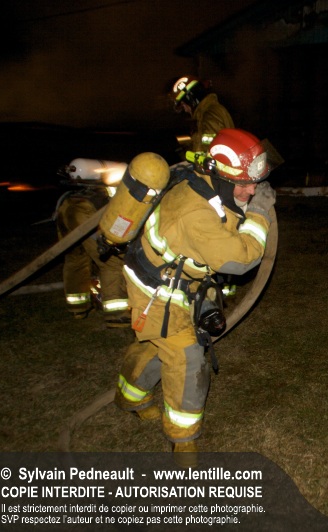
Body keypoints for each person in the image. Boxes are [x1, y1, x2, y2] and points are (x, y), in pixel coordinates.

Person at [114, 128, 278, 460]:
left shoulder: (210, 183)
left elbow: (227, 218)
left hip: (178, 281)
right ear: (222, 176)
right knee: (186, 357)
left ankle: (129, 396)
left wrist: (247, 199)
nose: (252, 190)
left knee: (158, 345)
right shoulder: (195, 213)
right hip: (156, 290)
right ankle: (182, 439)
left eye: (255, 183)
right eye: (244, 184)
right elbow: (241, 258)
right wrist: (259, 213)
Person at [54, 159, 131, 328]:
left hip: (67, 208)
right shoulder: (120, 182)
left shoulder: (86, 185)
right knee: (111, 261)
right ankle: (116, 315)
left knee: (76, 259)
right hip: (85, 211)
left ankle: (78, 308)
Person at [171, 75, 235, 155]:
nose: (186, 110)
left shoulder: (210, 114)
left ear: (191, 101)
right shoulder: (205, 115)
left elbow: (212, 151)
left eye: (184, 105)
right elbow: (201, 144)